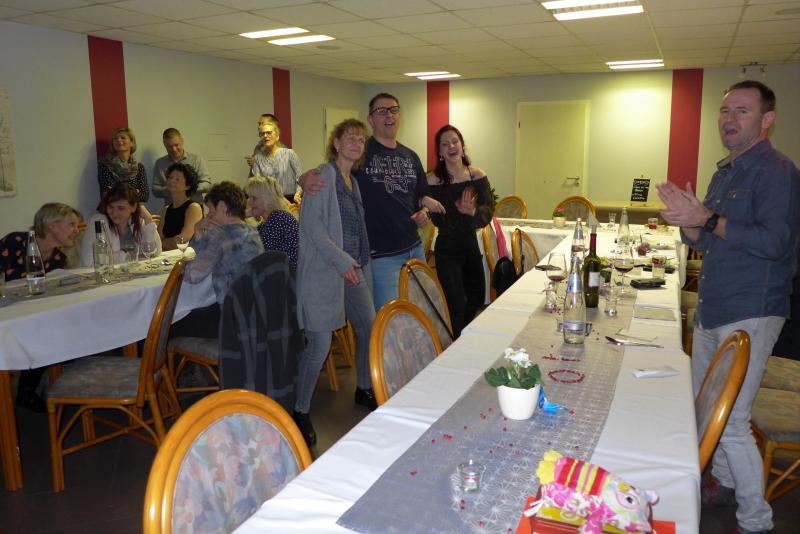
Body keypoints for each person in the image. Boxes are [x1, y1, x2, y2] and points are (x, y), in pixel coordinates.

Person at [657, 80, 800, 534]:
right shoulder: (724, 173)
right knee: (705, 407)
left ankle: (756, 521)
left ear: (767, 119)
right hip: (714, 305)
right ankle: (723, 481)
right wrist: (689, 223)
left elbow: (776, 244)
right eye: (724, 111)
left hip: (752, 308)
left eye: (741, 110)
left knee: (732, 418)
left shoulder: (778, 172)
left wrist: (707, 217)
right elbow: (709, 241)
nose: (729, 119)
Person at [299, 93, 444, 311]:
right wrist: (302, 178)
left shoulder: (410, 156)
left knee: (422, 312)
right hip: (381, 257)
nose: (389, 115)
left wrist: (424, 211)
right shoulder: (361, 152)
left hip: (414, 248)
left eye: (393, 109)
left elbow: (421, 195)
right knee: (390, 318)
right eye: (381, 111)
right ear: (371, 119)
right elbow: (330, 172)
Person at [295, 118, 376, 446]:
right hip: (324, 272)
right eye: (350, 138)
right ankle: (299, 411)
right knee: (319, 347)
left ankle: (363, 388)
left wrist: (360, 260)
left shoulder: (352, 180)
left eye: (361, 139)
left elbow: (357, 226)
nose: (357, 143)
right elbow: (313, 228)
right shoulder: (322, 176)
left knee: (369, 327)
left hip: (353, 269)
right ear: (337, 143)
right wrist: (342, 261)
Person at [1, 203, 81, 412]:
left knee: (51, 328)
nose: (76, 230)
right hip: (5, 314)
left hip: (27, 316)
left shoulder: (58, 260)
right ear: (51, 225)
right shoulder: (16, 242)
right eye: (71, 224)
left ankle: (28, 390)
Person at [170, 181, 264, 339]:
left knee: (165, 325)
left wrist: (197, 233)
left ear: (221, 206)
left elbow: (191, 275)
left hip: (229, 319)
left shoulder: (219, 234)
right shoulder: (253, 232)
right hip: (253, 315)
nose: (208, 216)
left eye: (210, 210)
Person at [427, 125, 494, 338]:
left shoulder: (476, 175)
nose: (451, 147)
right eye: (445, 144)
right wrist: (423, 206)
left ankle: (464, 339)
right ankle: (455, 344)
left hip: (470, 243)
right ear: (439, 152)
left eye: (455, 141)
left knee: (476, 297)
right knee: (455, 303)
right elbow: (421, 207)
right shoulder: (432, 180)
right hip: (447, 247)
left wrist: (471, 211)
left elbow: (488, 212)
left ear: (462, 145)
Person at [81, 183, 161, 266]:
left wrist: (148, 219)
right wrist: (130, 256)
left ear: (134, 207)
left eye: (120, 208)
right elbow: (90, 260)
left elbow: (155, 252)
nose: (114, 213)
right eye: (111, 207)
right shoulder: (98, 221)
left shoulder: (139, 221)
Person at [245, 175, 298, 269]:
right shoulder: (270, 221)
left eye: (254, 198)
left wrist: (242, 215)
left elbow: (256, 254)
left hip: (290, 276)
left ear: (268, 199)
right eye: (249, 197)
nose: (249, 201)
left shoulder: (278, 218)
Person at [151, 128, 212, 204]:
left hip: (195, 207)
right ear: (164, 144)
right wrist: (169, 189)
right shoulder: (160, 163)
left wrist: (186, 188)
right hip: (171, 208)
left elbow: (207, 184)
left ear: (182, 141)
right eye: (169, 146)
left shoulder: (196, 160)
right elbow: (155, 189)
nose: (174, 149)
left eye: (176, 145)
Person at [250, 120, 302, 204]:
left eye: (269, 133)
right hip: (269, 201)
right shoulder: (257, 159)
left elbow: (300, 178)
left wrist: (298, 194)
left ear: (277, 136)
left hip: (291, 200)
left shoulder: (289, 154)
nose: (265, 136)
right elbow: (258, 185)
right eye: (262, 134)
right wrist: (279, 198)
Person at [157, 162, 204, 251]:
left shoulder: (194, 207)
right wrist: (162, 243)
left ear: (188, 186)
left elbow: (182, 241)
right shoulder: (166, 209)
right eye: (170, 177)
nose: (171, 181)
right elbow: (157, 239)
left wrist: (162, 243)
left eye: (177, 179)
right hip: (167, 255)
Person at [97, 127, 148, 202]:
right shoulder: (105, 165)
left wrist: (118, 190)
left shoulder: (139, 167)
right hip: (113, 207)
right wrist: (134, 191)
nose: (118, 140)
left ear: (132, 143)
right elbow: (108, 194)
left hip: (134, 208)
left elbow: (145, 196)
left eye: (123, 138)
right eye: (115, 138)